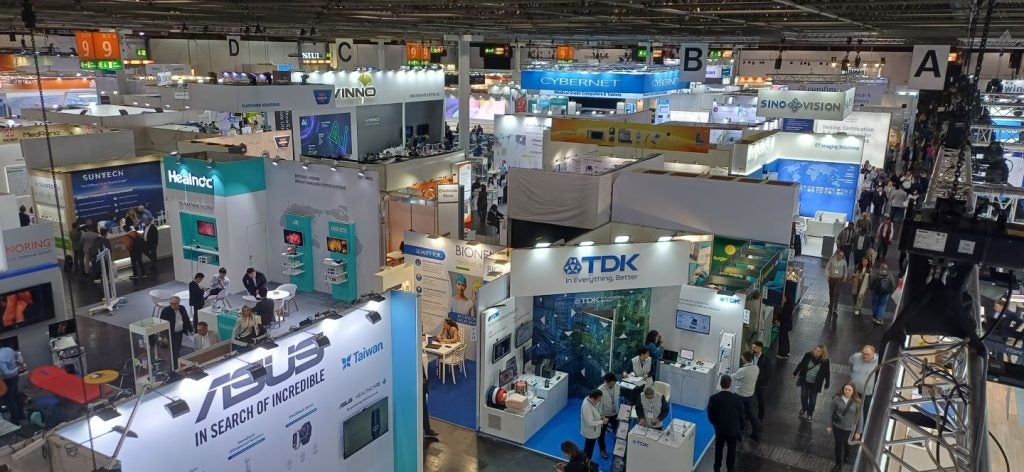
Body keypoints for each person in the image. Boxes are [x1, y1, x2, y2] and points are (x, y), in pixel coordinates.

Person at [707, 375, 743, 472]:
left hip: (720, 430)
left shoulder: (714, 398)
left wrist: (716, 424)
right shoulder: (736, 399)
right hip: (733, 430)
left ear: (720, 384)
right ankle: (730, 469)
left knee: (718, 449)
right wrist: (740, 428)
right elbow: (740, 415)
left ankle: (717, 468)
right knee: (732, 451)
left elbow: (710, 415)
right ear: (730, 384)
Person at [827, 383, 863, 470]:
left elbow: (860, 417)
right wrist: (829, 425)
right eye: (845, 389)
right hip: (838, 427)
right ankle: (838, 464)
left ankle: (847, 454)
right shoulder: (836, 399)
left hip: (850, 429)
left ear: (853, 391)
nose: (847, 391)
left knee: (847, 444)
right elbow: (830, 412)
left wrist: (858, 432)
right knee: (838, 446)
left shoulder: (858, 402)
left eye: (849, 390)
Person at [793, 344, 831, 421]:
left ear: (822, 353)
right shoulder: (808, 355)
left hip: (815, 384)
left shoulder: (825, 361)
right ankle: (804, 408)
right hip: (805, 381)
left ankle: (810, 414)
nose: (816, 352)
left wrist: (827, 383)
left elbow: (827, 373)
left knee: (812, 400)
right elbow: (801, 364)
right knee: (804, 396)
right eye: (816, 349)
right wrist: (795, 373)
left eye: (819, 351)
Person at [730, 351, 761, 440]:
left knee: (736, 413)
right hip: (750, 394)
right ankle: (755, 433)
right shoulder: (756, 368)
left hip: (739, 394)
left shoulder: (743, 370)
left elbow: (733, 377)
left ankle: (738, 432)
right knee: (749, 413)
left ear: (744, 358)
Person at [160, 296, 193, 365]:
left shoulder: (182, 308)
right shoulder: (165, 311)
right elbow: (162, 324)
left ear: (178, 303)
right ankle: (174, 364)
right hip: (171, 333)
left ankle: (176, 360)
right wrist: (164, 336)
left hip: (180, 332)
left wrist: (191, 330)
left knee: (178, 347)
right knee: (173, 349)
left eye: (175, 303)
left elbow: (186, 319)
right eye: (171, 303)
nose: (173, 305)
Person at [849, 345, 879, 418]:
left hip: (867, 394)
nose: (864, 356)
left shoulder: (878, 362)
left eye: (867, 354)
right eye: (863, 353)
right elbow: (850, 364)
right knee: (849, 409)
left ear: (873, 354)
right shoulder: (856, 357)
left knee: (865, 412)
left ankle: (862, 424)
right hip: (853, 391)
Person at [596, 373, 620, 460]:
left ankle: (619, 449)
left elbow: (617, 398)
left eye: (614, 384)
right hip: (604, 416)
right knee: (601, 434)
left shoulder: (617, 386)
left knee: (618, 432)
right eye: (611, 384)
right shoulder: (600, 391)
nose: (613, 386)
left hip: (615, 413)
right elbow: (597, 406)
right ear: (606, 382)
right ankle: (602, 450)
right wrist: (601, 416)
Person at [579, 389, 607, 460]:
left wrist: (601, 416)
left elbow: (596, 410)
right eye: (598, 399)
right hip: (590, 432)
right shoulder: (586, 406)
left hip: (594, 430)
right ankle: (586, 462)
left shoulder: (591, 400)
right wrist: (602, 421)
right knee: (588, 449)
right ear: (593, 398)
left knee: (589, 447)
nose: (599, 401)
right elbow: (590, 422)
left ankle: (586, 461)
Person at [751, 341, 771, 421]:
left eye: (755, 347)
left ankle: (760, 416)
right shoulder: (751, 356)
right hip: (751, 381)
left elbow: (768, 373)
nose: (753, 349)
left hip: (759, 383)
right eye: (753, 347)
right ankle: (747, 414)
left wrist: (764, 384)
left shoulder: (765, 359)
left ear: (760, 348)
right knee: (748, 398)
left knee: (760, 400)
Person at [825, 249, 847, 317]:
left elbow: (845, 270)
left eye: (842, 256)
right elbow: (827, 268)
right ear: (837, 255)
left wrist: (845, 277)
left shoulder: (844, 262)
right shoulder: (832, 260)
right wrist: (827, 276)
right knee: (831, 292)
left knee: (837, 292)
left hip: (839, 279)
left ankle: (835, 306)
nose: (841, 257)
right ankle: (831, 303)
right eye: (840, 255)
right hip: (831, 278)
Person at [777, 294, 794, 359]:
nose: (783, 299)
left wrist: (778, 320)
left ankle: (782, 354)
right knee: (786, 339)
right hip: (788, 325)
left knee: (782, 340)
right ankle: (787, 351)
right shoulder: (789, 306)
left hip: (784, 325)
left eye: (784, 297)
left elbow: (783, 316)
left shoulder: (786, 307)